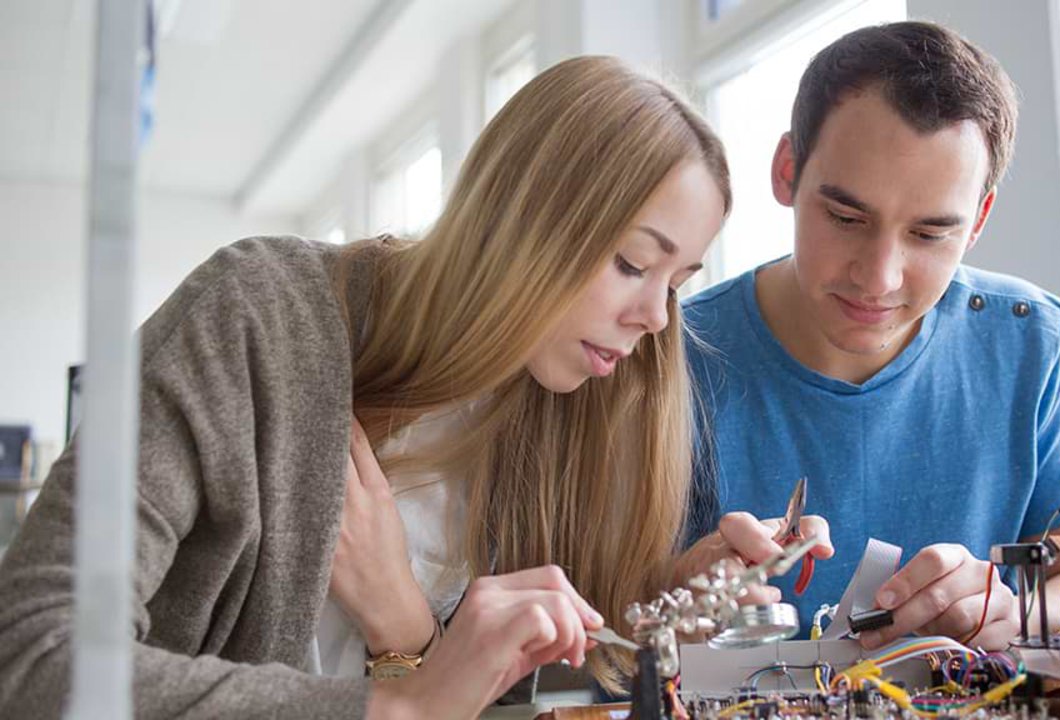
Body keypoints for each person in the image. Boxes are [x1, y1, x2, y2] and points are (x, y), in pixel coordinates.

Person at [0, 56, 831, 720]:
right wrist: (399, 705)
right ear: (521, 218)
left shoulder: (572, 408)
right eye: (630, 264)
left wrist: (667, 606)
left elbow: (515, 696)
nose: (655, 318)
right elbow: (33, 658)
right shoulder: (256, 317)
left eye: (678, 281)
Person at [684, 21, 1060, 651]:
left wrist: (1021, 611)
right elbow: (596, 599)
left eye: (931, 235)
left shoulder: (1028, 342)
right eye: (846, 217)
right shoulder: (672, 356)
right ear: (786, 171)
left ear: (979, 220)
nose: (878, 279)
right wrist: (673, 586)